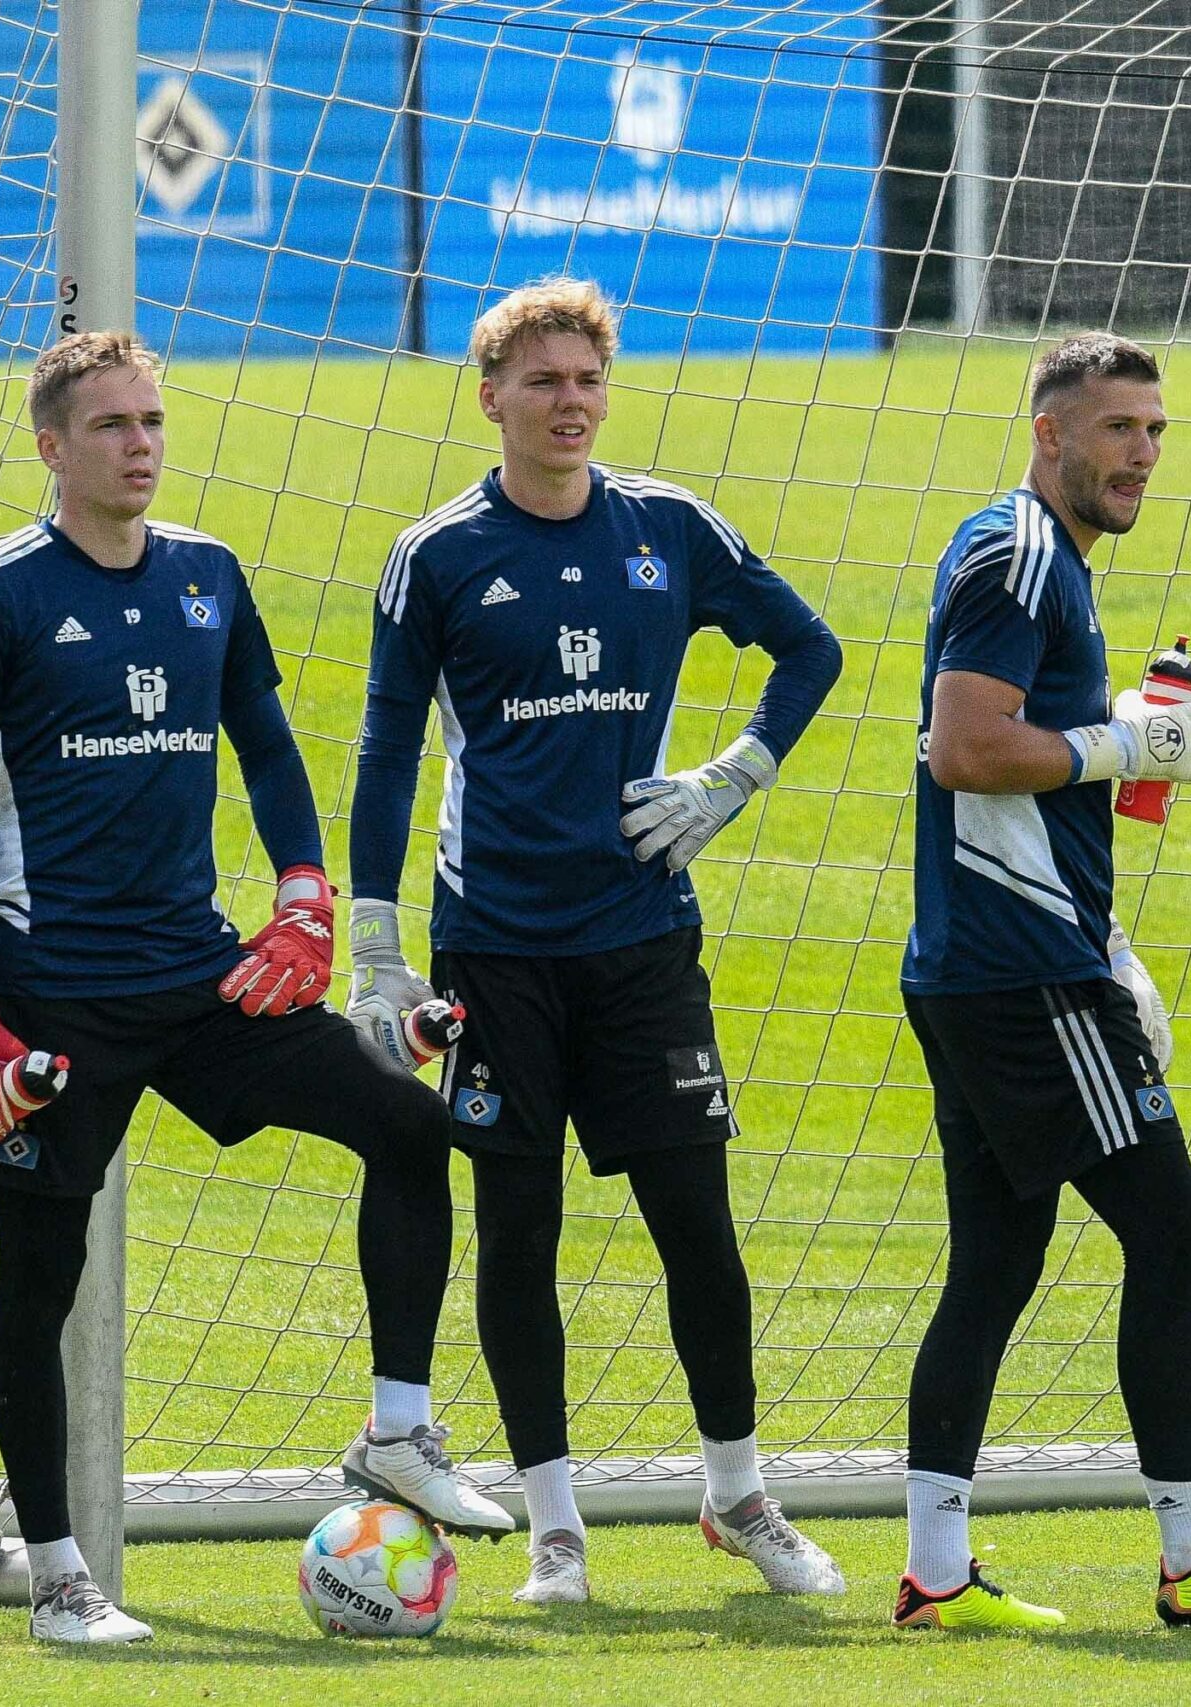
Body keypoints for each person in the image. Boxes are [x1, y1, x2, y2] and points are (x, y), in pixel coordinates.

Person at [0, 331, 512, 1646]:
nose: (140, 441)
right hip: (54, 1001)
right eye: (112, 423)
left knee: (414, 1124)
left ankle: (399, 1429)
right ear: (53, 445)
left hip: (198, 978)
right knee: (40, 1277)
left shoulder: (208, 576)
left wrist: (304, 898)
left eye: (151, 419)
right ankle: (61, 1574)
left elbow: (268, 744)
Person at [347, 278, 845, 1606]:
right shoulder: (439, 553)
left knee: (697, 1222)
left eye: (587, 380)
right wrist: (376, 941)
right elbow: (390, 743)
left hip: (640, 939)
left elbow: (811, 648)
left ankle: (740, 1492)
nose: (569, 402)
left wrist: (728, 778)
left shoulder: (669, 528)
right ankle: (557, 1526)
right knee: (519, 1230)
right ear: (492, 395)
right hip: (495, 946)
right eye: (543, 381)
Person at [892, 330, 1191, 1633]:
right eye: (1115, 429)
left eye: (1154, 429)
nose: (1142, 452)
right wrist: (1116, 741)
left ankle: (934, 1571)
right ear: (1048, 432)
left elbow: (1010, 762)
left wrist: (1111, 816)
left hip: (999, 958)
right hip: (1020, 967)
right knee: (1175, 1228)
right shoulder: (1015, 553)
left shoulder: (1045, 563)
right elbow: (967, 747)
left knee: (998, 1254)